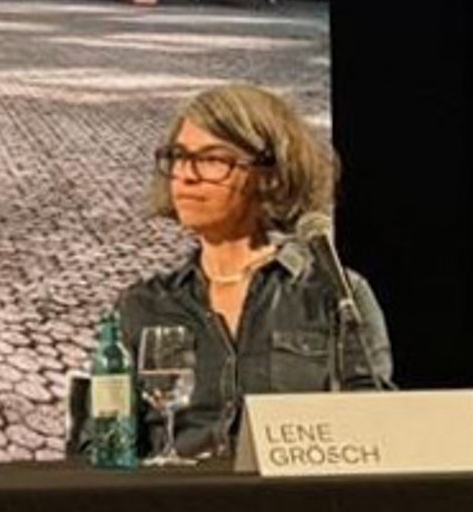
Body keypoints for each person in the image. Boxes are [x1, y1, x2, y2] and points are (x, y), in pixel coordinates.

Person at [75, 83, 392, 462]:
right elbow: (97, 446)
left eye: (212, 159)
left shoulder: (336, 295)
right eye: (178, 156)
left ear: (271, 174)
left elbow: (379, 433)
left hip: (294, 511)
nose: (186, 176)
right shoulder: (143, 305)